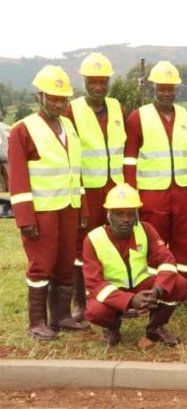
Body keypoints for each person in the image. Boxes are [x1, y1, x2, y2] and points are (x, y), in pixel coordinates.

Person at [9, 65, 90, 339]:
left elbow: (76, 171)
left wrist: (82, 208)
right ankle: (37, 322)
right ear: (39, 98)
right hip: (41, 213)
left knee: (65, 262)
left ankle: (62, 316)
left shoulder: (69, 125)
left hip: (69, 208)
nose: (59, 103)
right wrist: (25, 218)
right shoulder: (23, 130)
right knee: (41, 265)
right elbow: (17, 179)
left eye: (63, 98)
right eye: (53, 98)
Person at [123, 61, 187, 278]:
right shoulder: (137, 117)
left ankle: (182, 290)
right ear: (154, 89)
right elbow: (129, 161)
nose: (167, 93)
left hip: (183, 192)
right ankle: (154, 288)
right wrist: (132, 197)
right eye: (162, 88)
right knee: (154, 241)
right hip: (152, 193)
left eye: (171, 88)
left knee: (182, 240)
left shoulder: (185, 116)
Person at [82, 183, 187, 346]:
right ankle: (111, 328)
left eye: (130, 214)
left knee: (178, 283)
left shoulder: (145, 229)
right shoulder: (93, 239)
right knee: (95, 311)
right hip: (113, 290)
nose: (126, 219)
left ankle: (156, 328)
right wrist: (130, 300)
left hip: (141, 285)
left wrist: (157, 289)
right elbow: (94, 284)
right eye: (119, 214)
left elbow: (167, 260)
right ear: (109, 214)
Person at [67, 52, 126, 322]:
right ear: (84, 82)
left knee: (114, 240)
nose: (99, 87)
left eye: (103, 81)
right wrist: (77, 191)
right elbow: (69, 155)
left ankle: (116, 293)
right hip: (87, 189)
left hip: (114, 188)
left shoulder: (117, 107)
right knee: (84, 245)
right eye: (93, 81)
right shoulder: (73, 109)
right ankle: (80, 300)